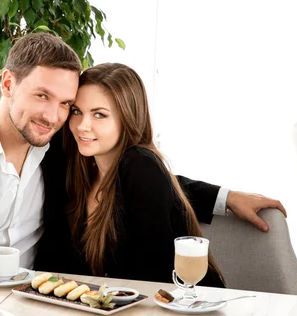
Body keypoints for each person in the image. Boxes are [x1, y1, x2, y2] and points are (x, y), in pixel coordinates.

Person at [0, 33, 286, 269]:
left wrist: (227, 197)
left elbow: (136, 173)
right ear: (7, 82)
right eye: (42, 96)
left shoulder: (63, 145)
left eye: (65, 104)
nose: (54, 117)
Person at [44, 63, 224, 285]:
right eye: (76, 111)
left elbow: (151, 278)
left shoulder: (140, 165)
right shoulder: (79, 170)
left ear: (127, 119)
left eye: (100, 115)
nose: (82, 125)